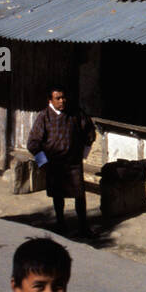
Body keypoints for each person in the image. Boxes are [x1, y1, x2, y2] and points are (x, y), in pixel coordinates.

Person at [26, 83, 96, 236]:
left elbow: (90, 132)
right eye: (58, 98)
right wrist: (43, 162)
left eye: (63, 97)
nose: (62, 101)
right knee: (58, 196)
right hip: (54, 164)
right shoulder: (44, 117)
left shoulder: (76, 114)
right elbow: (33, 143)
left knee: (79, 195)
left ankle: (84, 227)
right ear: (50, 101)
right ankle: (60, 225)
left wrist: (83, 154)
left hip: (73, 163)